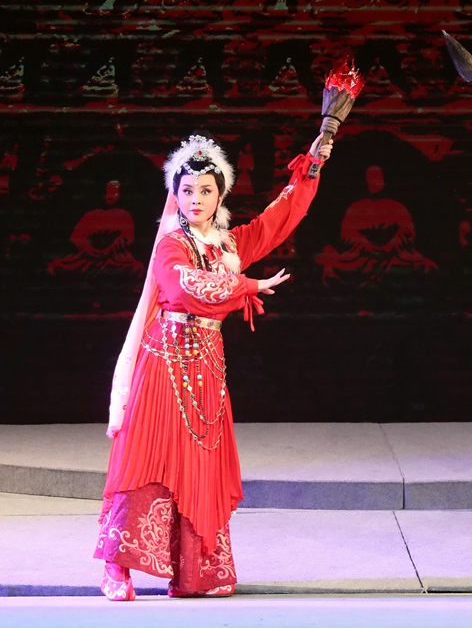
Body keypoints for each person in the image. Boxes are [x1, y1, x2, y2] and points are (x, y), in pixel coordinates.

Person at [94, 131, 333, 600]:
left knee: (199, 468)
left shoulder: (228, 246)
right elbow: (184, 288)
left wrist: (313, 166)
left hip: (207, 369)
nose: (196, 199)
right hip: (163, 364)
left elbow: (277, 220)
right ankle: (116, 569)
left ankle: (193, 574)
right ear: (175, 194)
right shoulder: (170, 245)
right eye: (187, 190)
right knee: (146, 461)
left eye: (205, 190)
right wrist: (246, 286)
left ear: (220, 195)